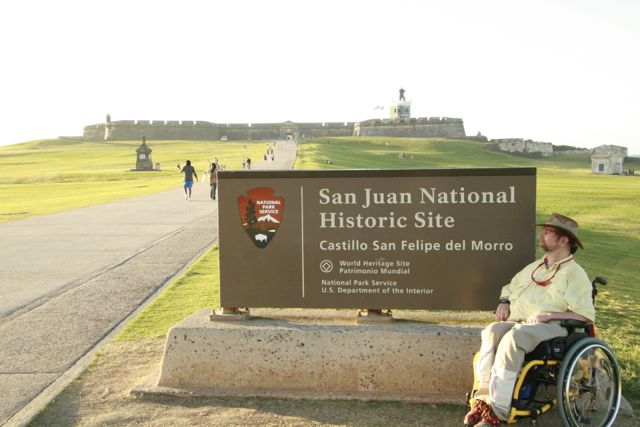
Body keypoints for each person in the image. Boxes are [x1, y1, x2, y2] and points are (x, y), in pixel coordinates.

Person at [464, 213, 595, 427]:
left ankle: (497, 412)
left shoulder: (575, 274)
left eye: (548, 232)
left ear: (564, 241)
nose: (541, 235)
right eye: (543, 231)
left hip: (552, 328)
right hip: (521, 322)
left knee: (512, 339)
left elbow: (585, 315)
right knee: (491, 332)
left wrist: (550, 315)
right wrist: (504, 301)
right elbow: (510, 286)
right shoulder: (536, 267)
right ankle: (482, 402)